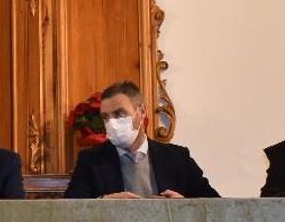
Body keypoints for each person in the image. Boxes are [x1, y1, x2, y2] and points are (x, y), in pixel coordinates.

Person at [64, 80, 218, 199]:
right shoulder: (91, 160)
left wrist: (185, 206)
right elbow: (69, 211)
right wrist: (103, 202)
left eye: (119, 114)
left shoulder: (177, 158)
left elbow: (215, 205)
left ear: (141, 112)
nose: (112, 123)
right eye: (106, 117)